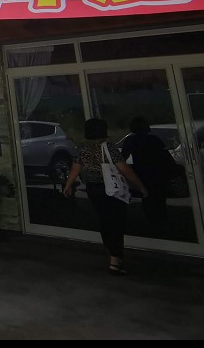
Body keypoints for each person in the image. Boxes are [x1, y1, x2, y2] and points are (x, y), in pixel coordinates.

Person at [62, 118, 149, 276]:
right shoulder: (108, 147)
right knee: (116, 220)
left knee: (104, 220)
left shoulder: (84, 149)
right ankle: (115, 259)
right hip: (111, 189)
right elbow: (124, 169)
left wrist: (68, 185)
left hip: (93, 189)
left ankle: (112, 253)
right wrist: (140, 186)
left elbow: (75, 168)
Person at [120, 116, 175, 236]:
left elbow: (122, 157)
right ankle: (162, 225)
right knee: (159, 201)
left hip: (143, 173)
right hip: (158, 173)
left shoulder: (131, 141)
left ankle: (154, 225)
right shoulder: (154, 139)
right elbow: (165, 156)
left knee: (148, 200)